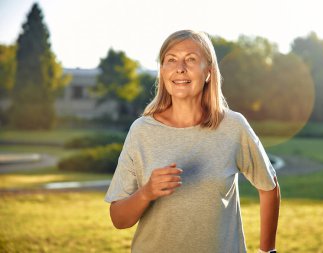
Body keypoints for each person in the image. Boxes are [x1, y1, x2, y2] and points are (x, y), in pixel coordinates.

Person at [105, 30, 280, 253]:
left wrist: (267, 251)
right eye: (171, 60)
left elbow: (269, 186)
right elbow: (119, 219)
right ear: (162, 71)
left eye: (190, 59)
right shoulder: (141, 131)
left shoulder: (233, 126)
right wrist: (147, 192)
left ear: (208, 71)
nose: (180, 68)